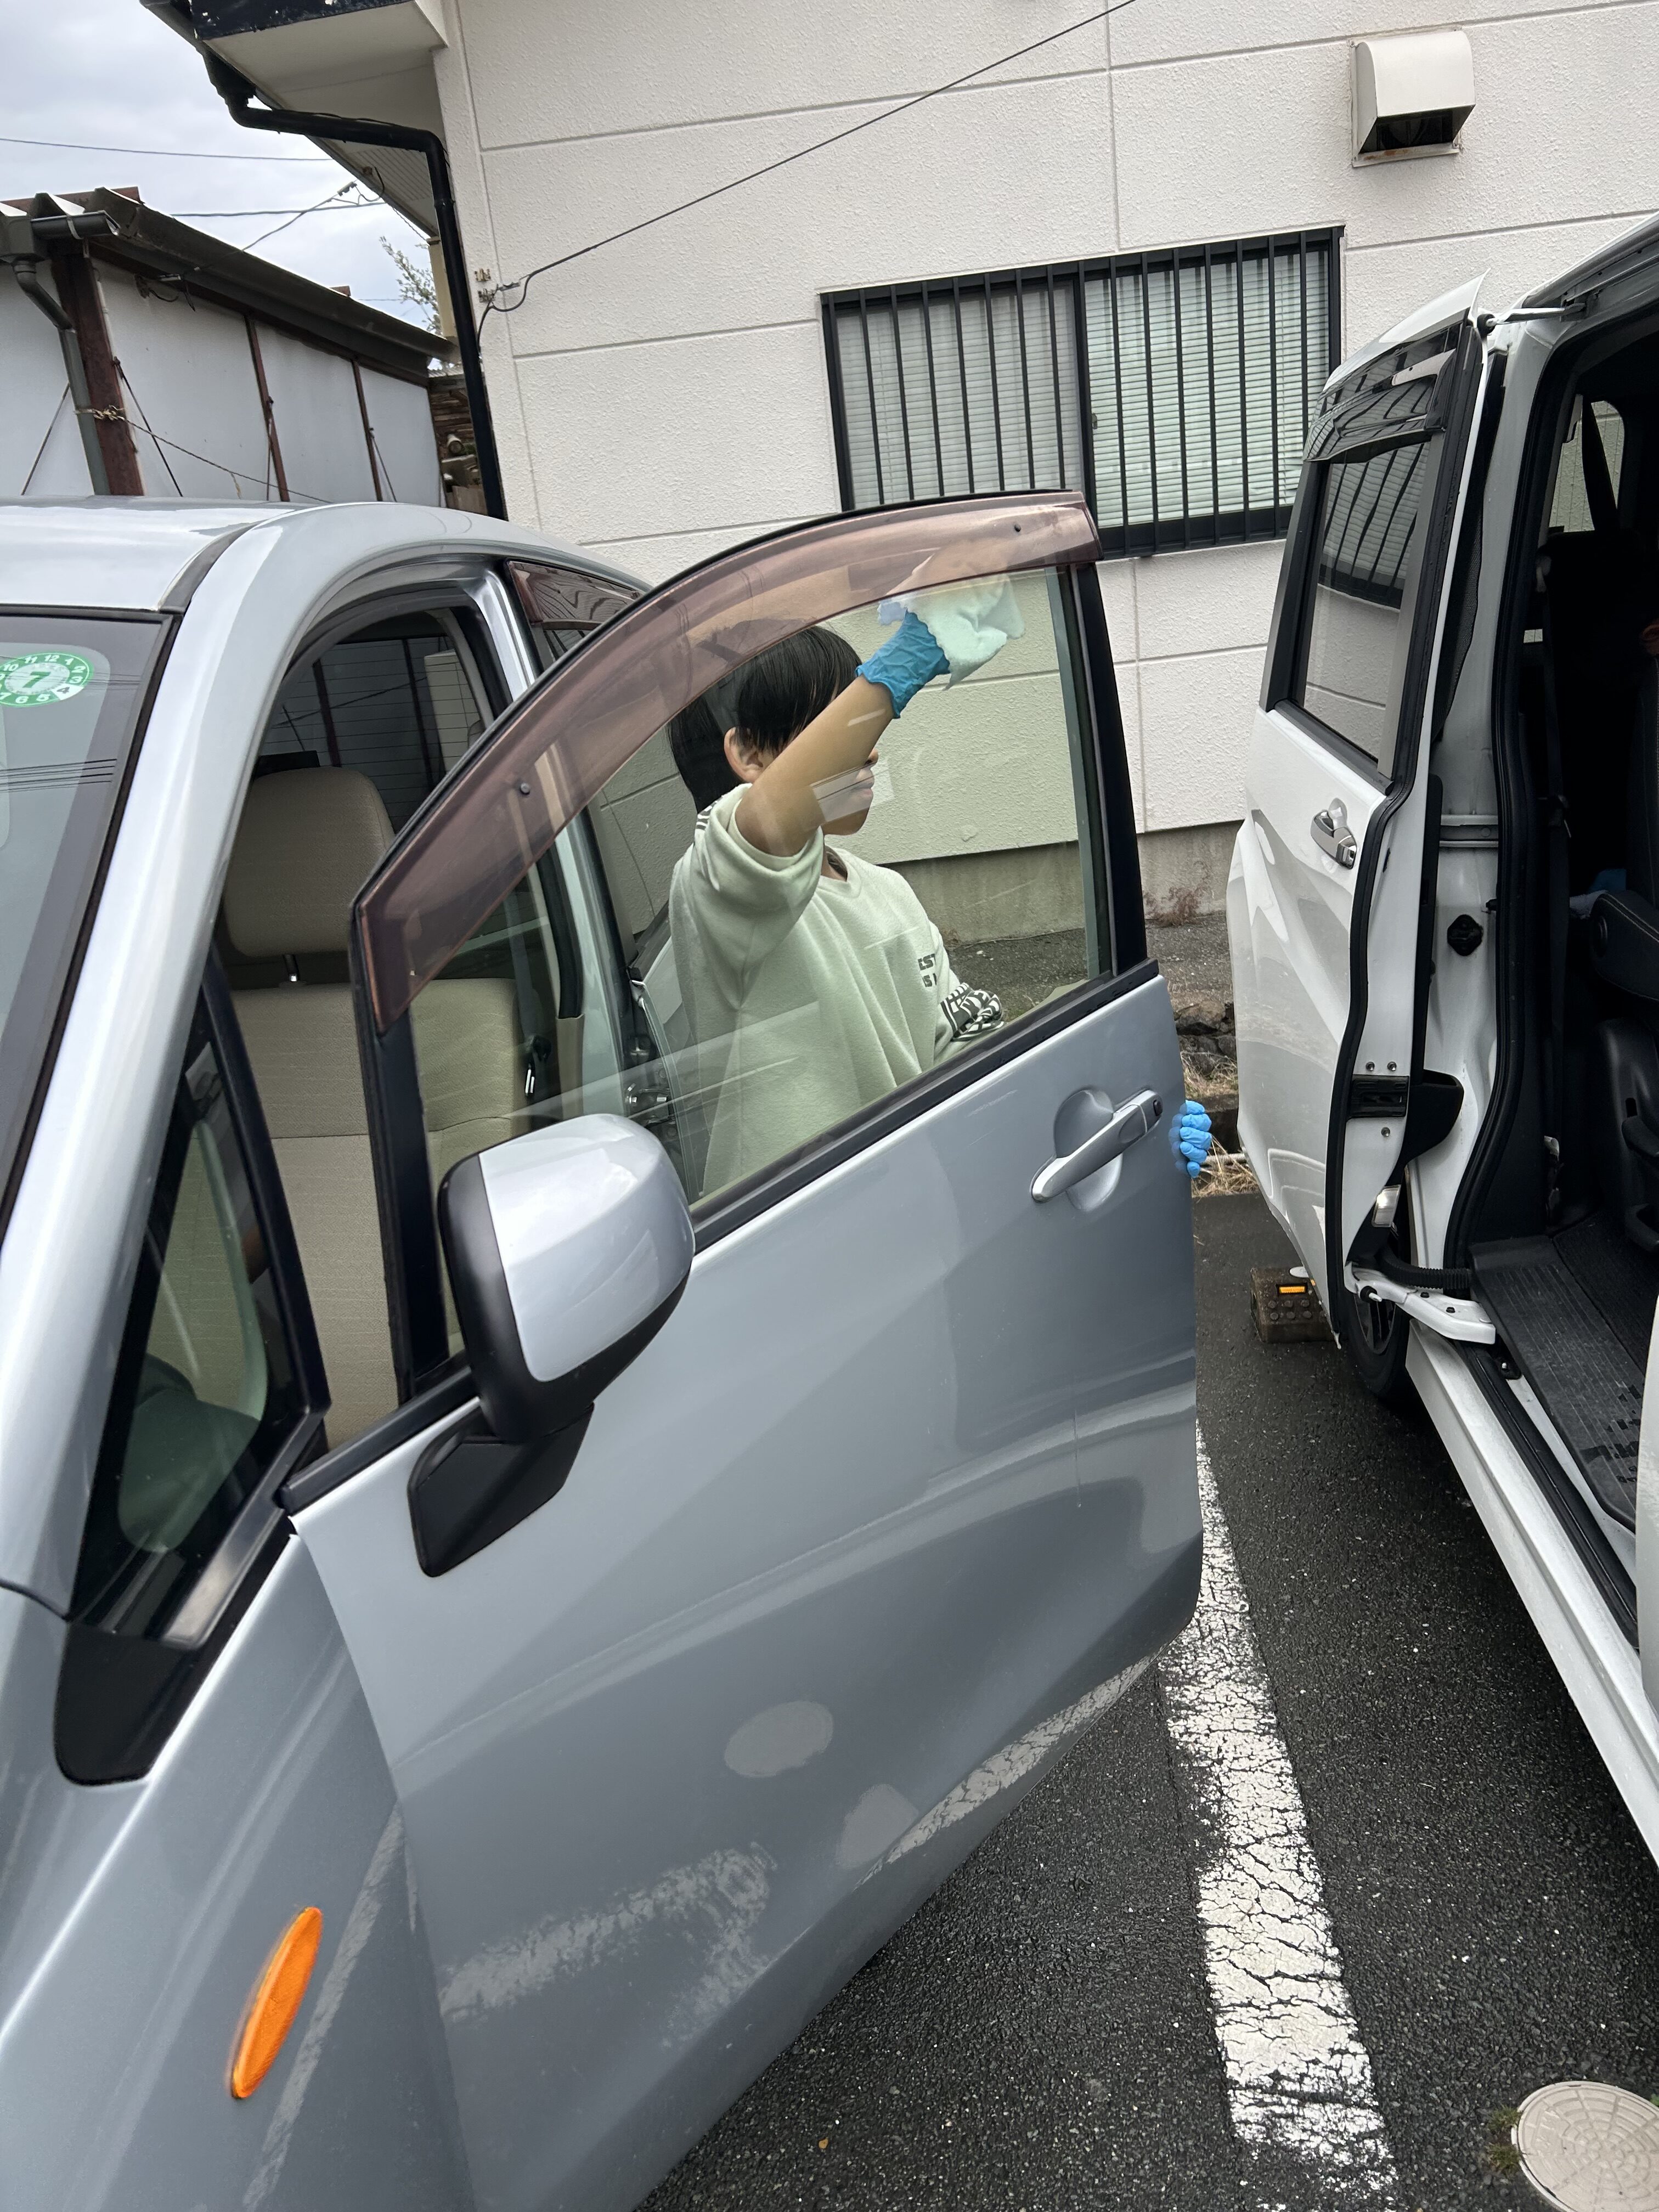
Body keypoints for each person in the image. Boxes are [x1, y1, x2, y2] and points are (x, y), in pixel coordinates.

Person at [667, 588, 1213, 1192]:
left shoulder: (887, 892)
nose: (872, 747)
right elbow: (763, 827)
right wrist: (908, 659)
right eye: (837, 727)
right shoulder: (715, 888)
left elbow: (965, 1055)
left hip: (913, 1207)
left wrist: (1115, 1099)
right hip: (783, 1226)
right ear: (748, 752)